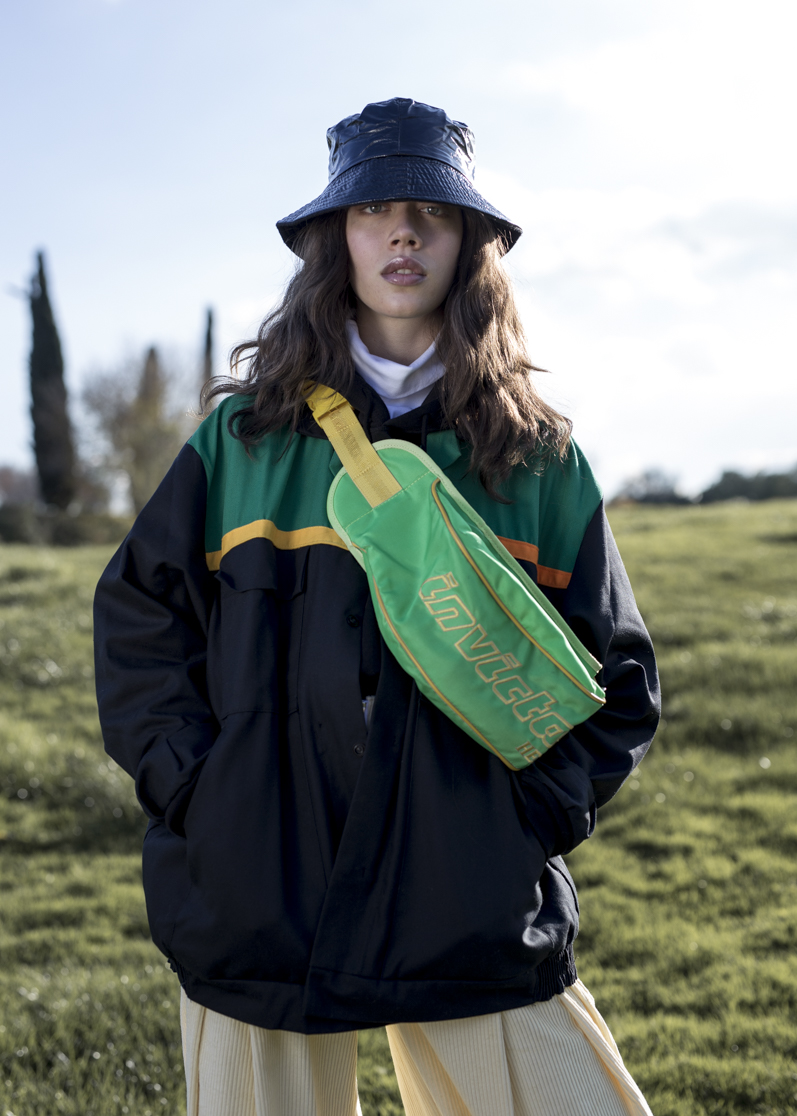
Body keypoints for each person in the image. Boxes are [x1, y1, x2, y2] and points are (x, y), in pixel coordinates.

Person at [94, 97, 660, 1116]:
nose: (403, 233)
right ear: (334, 239)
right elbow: (140, 625)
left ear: (470, 243)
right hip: (258, 882)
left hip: (470, 889)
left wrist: (520, 820)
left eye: (431, 212)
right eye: (372, 210)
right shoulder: (240, 443)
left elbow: (617, 681)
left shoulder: (537, 458)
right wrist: (203, 795)